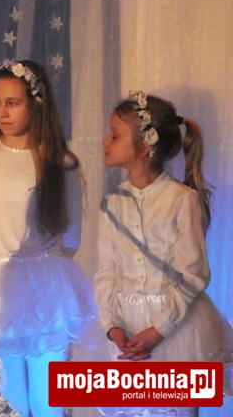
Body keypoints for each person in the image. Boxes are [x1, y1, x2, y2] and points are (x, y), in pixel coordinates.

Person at [0, 60, 96, 416]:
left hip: (45, 292)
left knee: (49, 400)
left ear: (35, 104)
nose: (3, 112)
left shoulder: (60, 162)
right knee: (9, 399)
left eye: (13, 103)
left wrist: (38, 268)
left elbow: (71, 238)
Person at [95, 91, 233, 416]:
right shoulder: (112, 204)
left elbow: (193, 275)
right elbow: (106, 272)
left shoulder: (182, 200)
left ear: (144, 146)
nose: (104, 142)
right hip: (126, 331)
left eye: (114, 135)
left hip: (176, 331)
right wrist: (112, 327)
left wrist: (158, 330)